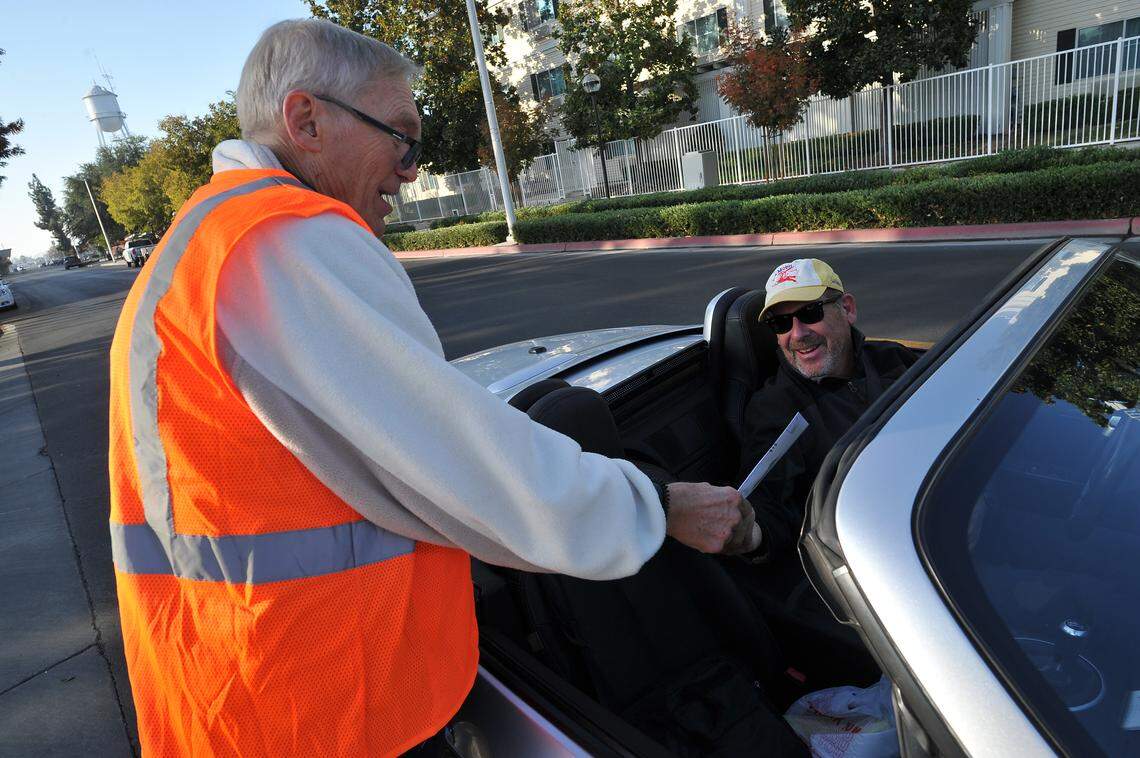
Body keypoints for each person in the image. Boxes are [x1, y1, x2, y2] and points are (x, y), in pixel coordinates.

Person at [107, 18, 758, 758]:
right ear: (306, 120)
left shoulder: (204, 243)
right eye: (401, 136)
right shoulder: (283, 239)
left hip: (244, 693)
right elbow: (466, 462)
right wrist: (655, 506)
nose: (411, 168)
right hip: (323, 710)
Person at [738, 258, 917, 594]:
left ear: (846, 309)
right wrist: (752, 535)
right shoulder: (777, 410)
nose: (798, 334)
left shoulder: (895, 361)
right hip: (881, 567)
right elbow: (769, 505)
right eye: (780, 323)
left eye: (810, 313)